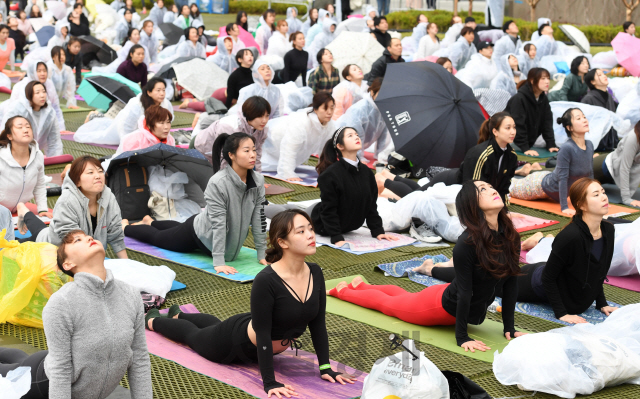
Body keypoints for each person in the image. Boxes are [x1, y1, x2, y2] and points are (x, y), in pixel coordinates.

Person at [145, 209, 354, 396]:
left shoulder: (315, 272)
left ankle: (179, 314)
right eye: (301, 231)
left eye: (310, 228)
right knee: (194, 335)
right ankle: (154, 320)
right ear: (282, 242)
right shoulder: (267, 280)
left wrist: (325, 367)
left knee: (214, 325)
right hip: (234, 344)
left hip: (255, 332)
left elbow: (317, 324)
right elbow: (263, 334)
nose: (310, 235)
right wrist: (270, 382)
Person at [330, 180, 524, 351]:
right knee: (388, 304)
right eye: (482, 189)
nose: (491, 190)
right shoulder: (467, 243)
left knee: (404, 296)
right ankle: (342, 292)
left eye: (490, 186)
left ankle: (362, 286)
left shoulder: (510, 237)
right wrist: (462, 338)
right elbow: (465, 292)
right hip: (438, 308)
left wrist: (510, 328)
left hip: (449, 296)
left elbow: (511, 283)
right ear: (472, 204)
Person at [420, 177, 618, 324]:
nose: (604, 197)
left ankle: (454, 264)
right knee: (484, 279)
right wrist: (562, 314)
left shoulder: (608, 230)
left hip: (556, 277)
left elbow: (598, 270)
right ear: (581, 204)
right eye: (596, 194)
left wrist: (602, 303)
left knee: (486, 272)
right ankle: (431, 269)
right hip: (535, 281)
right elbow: (549, 279)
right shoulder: (571, 236)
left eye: (603, 192)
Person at [123, 132, 267, 274]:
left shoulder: (258, 181)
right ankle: (126, 228)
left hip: (206, 228)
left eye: (254, 150)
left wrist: (262, 253)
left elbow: (258, 218)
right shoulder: (218, 182)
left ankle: (150, 222)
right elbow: (219, 224)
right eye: (246, 151)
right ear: (231, 155)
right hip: (199, 233)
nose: (253, 155)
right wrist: (219, 262)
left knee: (176, 228)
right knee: (158, 238)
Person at [43, 230, 152, 398]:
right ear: (67, 264)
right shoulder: (61, 303)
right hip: (46, 385)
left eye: (88, 236)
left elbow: (139, 358)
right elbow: (60, 369)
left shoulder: (130, 295)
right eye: (77, 240)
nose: (89, 238)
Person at [378, 112, 540, 202]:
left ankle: (390, 176)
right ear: (495, 131)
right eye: (508, 128)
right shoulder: (480, 153)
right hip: (450, 182)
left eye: (514, 127)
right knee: (416, 197)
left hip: (460, 183)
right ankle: (383, 181)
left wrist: (503, 209)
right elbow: (473, 188)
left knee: (419, 190)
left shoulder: (511, 155)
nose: (513, 132)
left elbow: (504, 186)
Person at [16, 156, 128, 260]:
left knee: (41, 229)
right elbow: (72, 241)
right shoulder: (67, 200)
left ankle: (23, 210)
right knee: (10, 246)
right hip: (51, 247)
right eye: (90, 172)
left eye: (100, 171)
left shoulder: (109, 197)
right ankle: (23, 211)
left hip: (69, 242)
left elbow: (116, 234)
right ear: (77, 182)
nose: (98, 176)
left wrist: (127, 264)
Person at [311, 127, 397, 245]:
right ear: (340, 146)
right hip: (319, 222)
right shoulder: (330, 175)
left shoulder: (366, 172)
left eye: (356, 134)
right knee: (285, 216)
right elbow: (328, 211)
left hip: (347, 226)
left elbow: (371, 205)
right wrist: (337, 237)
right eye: (350, 136)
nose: (356, 137)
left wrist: (378, 231)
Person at [510, 108, 594, 216]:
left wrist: (596, 198)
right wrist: (564, 207)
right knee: (509, 186)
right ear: (570, 127)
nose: (584, 120)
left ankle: (531, 169)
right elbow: (562, 178)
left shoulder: (590, 145)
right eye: (578, 118)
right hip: (541, 186)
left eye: (584, 117)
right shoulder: (567, 148)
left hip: (550, 181)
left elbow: (590, 174)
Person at [262, 92, 337, 180]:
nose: (329, 112)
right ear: (315, 109)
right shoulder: (301, 122)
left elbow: (325, 149)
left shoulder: (331, 125)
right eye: (325, 108)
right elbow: (289, 148)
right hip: (270, 141)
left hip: (289, 153)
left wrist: (325, 169)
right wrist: (288, 173)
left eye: (332, 108)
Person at [195, 96, 269, 170]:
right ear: (250, 114)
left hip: (228, 155)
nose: (264, 120)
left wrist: (258, 177)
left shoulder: (262, 129)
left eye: (267, 116)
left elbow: (257, 153)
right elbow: (223, 157)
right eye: (260, 116)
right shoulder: (230, 127)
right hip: (203, 149)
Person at [336, 77, 392, 163]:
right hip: (340, 143)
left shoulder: (384, 109)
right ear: (373, 92)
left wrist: (381, 156)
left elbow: (384, 135)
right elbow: (354, 134)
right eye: (381, 94)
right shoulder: (359, 109)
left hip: (361, 145)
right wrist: (357, 157)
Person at [0, 116, 47, 216]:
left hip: (19, 210)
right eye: (20, 127)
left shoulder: (38, 155)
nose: (25, 130)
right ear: (9, 136)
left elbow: (40, 185)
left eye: (28, 127)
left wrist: (42, 210)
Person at [504, 67, 557, 155]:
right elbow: (518, 124)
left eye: (548, 78)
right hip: (511, 142)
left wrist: (551, 144)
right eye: (543, 78)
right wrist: (525, 148)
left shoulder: (543, 99)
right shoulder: (519, 99)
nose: (547, 81)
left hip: (528, 143)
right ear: (532, 81)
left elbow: (547, 123)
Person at [1, 81, 62, 157]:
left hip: (34, 153)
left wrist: (54, 158)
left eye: (44, 92)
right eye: (37, 93)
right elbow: (5, 132)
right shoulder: (18, 108)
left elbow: (54, 139)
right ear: (29, 95)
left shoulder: (49, 112)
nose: (42, 95)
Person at [593, 121, 640, 208]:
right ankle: (591, 157)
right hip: (605, 168)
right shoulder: (632, 138)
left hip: (617, 165)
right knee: (578, 177)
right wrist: (627, 199)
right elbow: (624, 168)